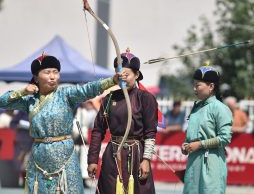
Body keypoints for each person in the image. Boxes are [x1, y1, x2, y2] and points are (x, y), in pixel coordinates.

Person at [0, 53, 119, 194]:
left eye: (56, 72)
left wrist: (112, 80)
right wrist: (22, 92)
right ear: (36, 78)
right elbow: (3, 101)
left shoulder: (66, 94)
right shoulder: (29, 101)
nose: (53, 76)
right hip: (39, 157)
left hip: (65, 156)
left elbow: (88, 89)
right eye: (47, 72)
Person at [87, 49, 158, 194]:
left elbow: (150, 133)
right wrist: (93, 160)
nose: (123, 78)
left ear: (137, 75)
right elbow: (98, 130)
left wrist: (146, 160)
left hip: (137, 156)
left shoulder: (146, 98)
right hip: (113, 156)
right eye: (119, 74)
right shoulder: (109, 98)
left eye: (127, 74)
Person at [182, 64, 232, 194]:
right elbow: (191, 135)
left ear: (211, 86)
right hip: (193, 163)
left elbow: (225, 138)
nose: (194, 89)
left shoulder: (220, 108)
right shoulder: (196, 107)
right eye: (194, 85)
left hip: (211, 162)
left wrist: (200, 144)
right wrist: (186, 145)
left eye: (198, 85)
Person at [73, 100, 98, 188]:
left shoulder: (90, 111)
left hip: (84, 139)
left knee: (84, 160)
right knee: (74, 160)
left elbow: (92, 122)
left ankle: (84, 179)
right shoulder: (76, 109)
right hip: (74, 140)